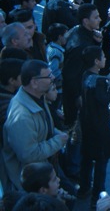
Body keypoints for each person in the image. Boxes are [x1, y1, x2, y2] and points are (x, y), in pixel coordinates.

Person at [1, 60, 68, 192]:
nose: (53, 78)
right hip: (29, 186)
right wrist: (58, 141)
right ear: (34, 83)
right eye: (48, 76)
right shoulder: (21, 117)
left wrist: (56, 132)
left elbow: (42, 126)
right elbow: (28, 154)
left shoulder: (38, 97)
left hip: (43, 173)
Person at [78, 46, 110, 206]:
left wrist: (107, 79)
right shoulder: (99, 81)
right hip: (100, 126)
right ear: (96, 61)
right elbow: (104, 99)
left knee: (87, 159)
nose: (105, 58)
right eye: (103, 56)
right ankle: (97, 196)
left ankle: (84, 188)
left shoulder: (86, 75)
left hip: (87, 123)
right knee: (101, 162)